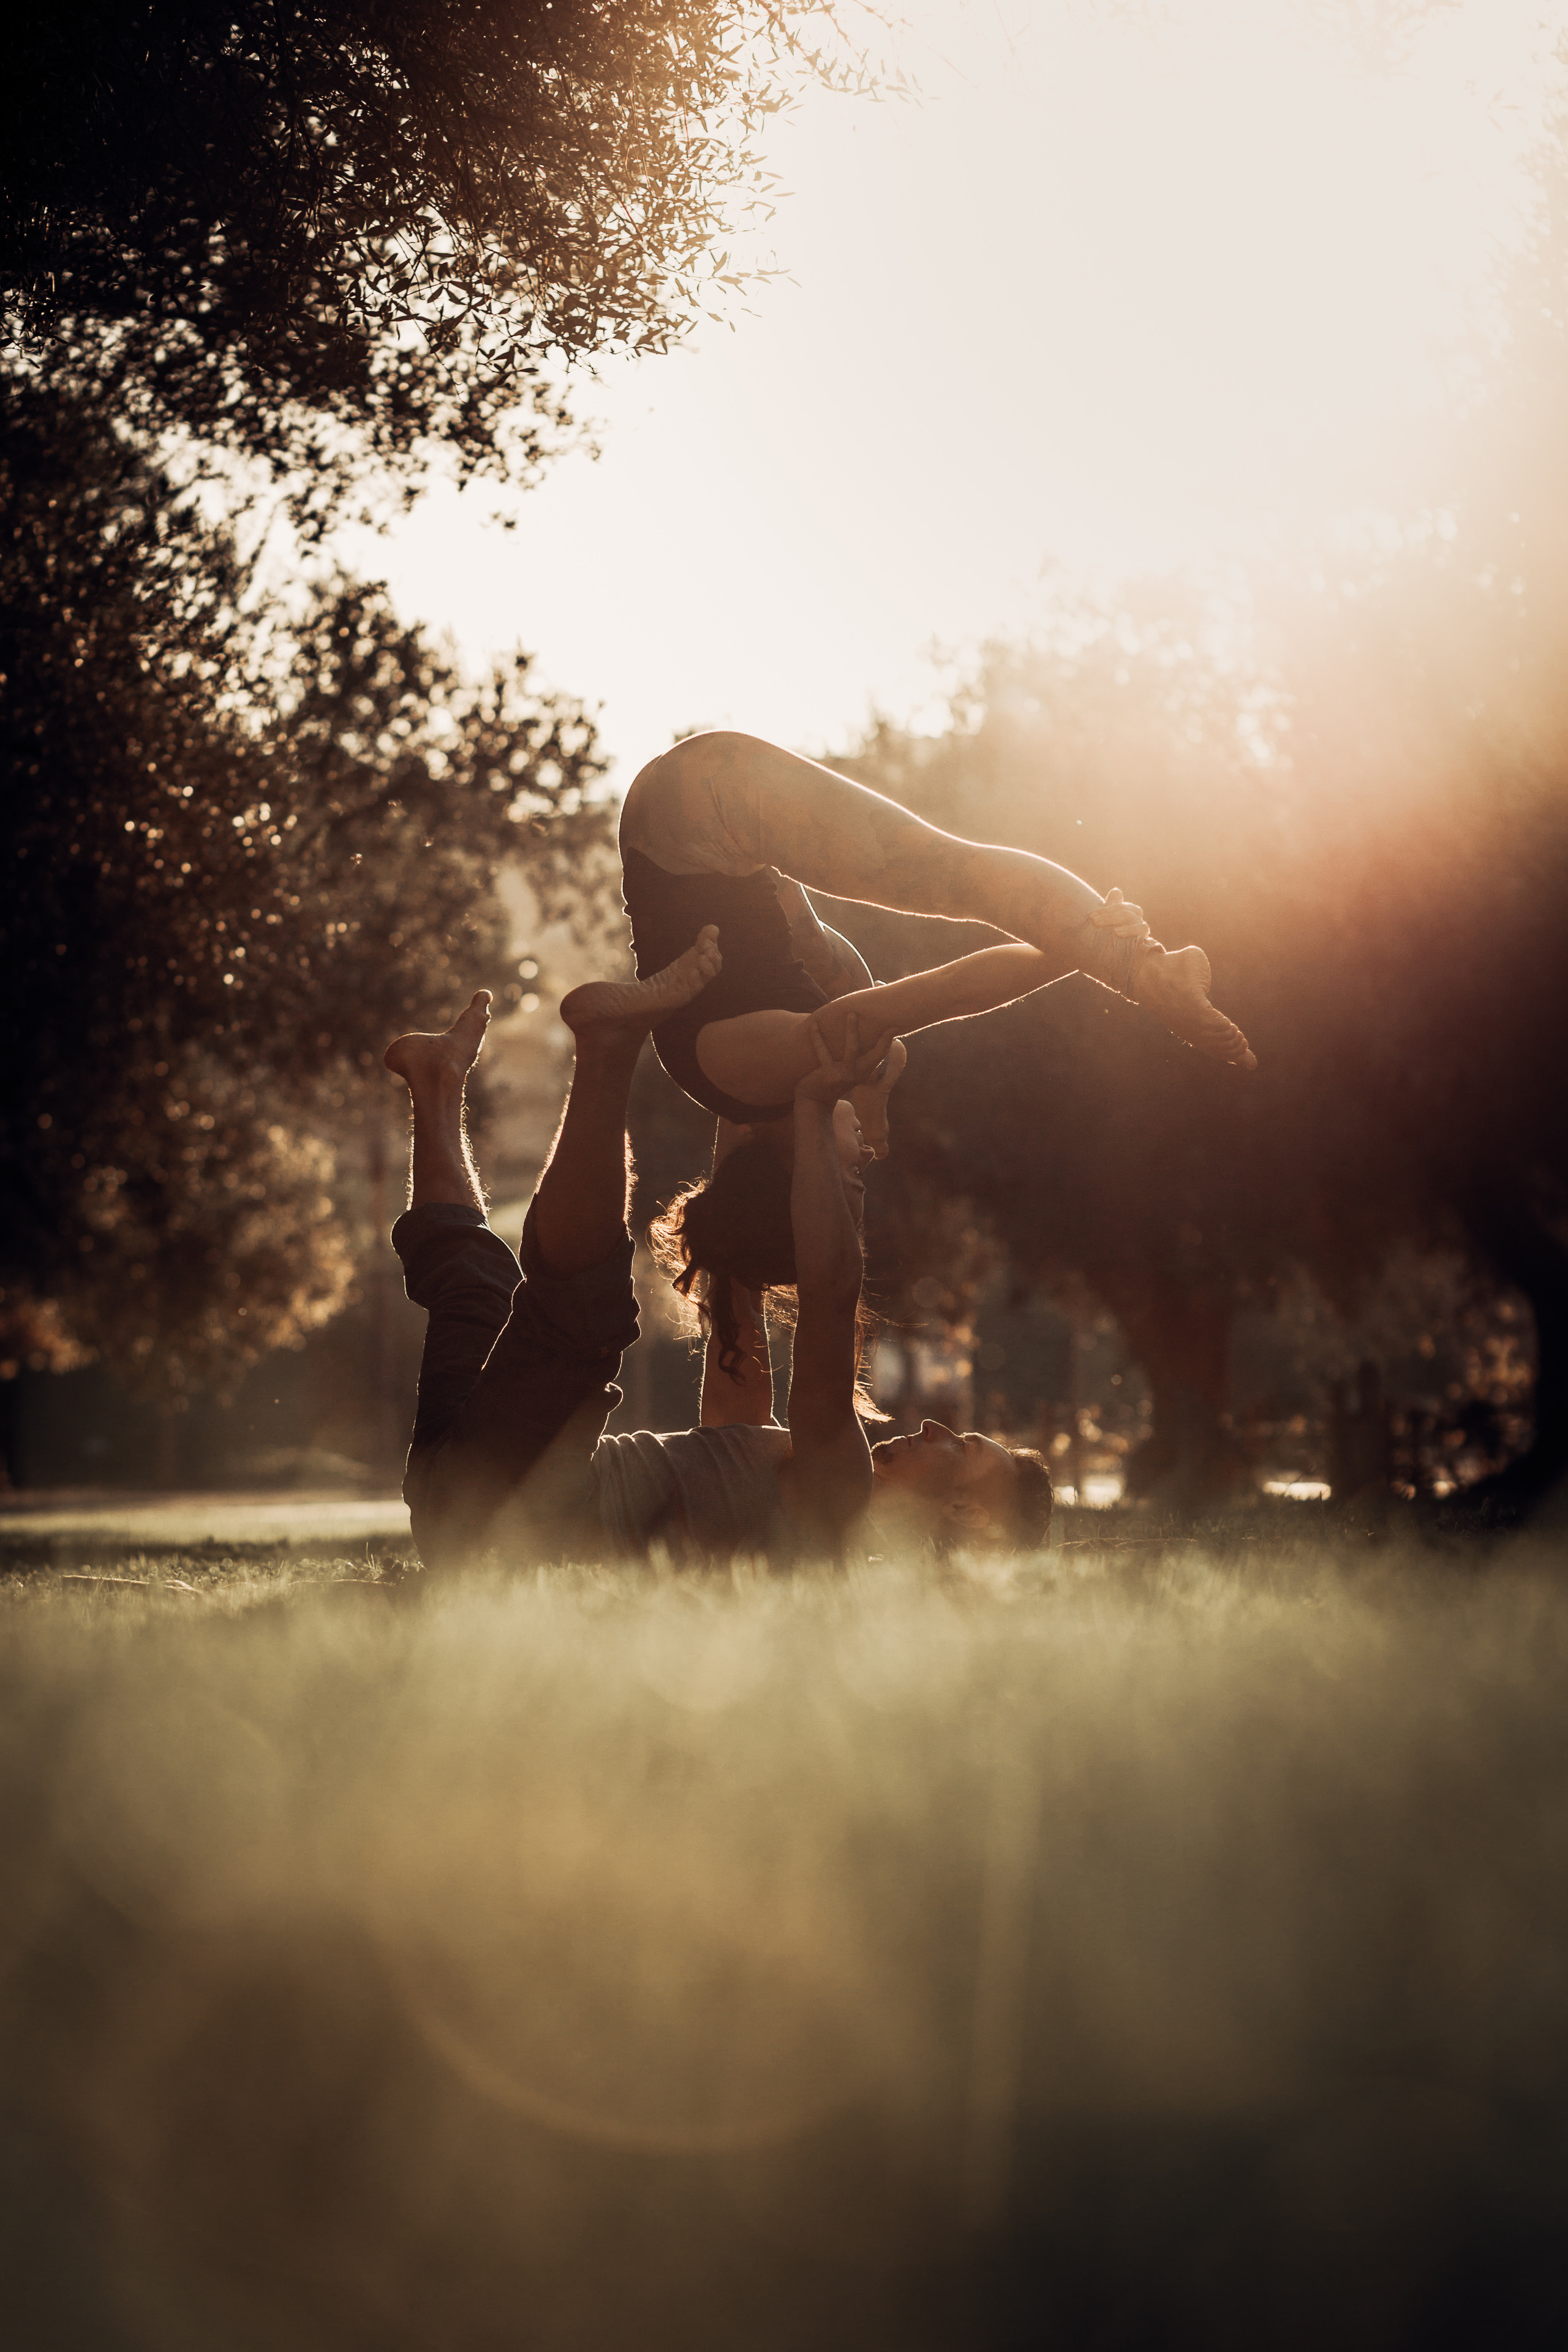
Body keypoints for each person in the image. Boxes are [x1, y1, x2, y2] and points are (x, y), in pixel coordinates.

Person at [566, 729, 1254, 1381]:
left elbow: (942, 992)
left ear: (797, 1169)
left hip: (698, 810)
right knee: (889, 964)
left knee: (947, 878)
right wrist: (1073, 941)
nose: (865, 1159)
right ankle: (1138, 963)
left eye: (848, 1175)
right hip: (729, 845)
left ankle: (1145, 975)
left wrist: (1083, 953)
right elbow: (844, 984)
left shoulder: (746, 1072)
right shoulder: (798, 1082)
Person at [382, 943, 1052, 1569]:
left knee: (586, 1316)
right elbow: (732, 1283)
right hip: (459, 1491)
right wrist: (742, 1082)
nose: (938, 1427)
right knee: (479, 1292)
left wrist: (817, 1105)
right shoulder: (768, 1462)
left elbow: (829, 1299)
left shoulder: (838, 1502)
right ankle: (436, 1082)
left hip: (507, 1508)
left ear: (963, 1511)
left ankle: (608, 1053)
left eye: (962, 1450)